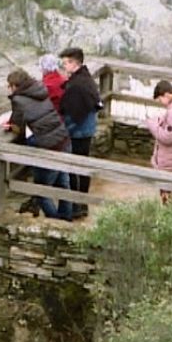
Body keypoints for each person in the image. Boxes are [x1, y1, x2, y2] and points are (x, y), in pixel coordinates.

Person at [4, 68, 73, 220]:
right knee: (63, 183)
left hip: (48, 146)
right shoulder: (40, 90)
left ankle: (54, 220)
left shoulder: (18, 100)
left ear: (15, 86)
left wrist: (10, 127)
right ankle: (66, 217)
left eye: (9, 86)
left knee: (40, 188)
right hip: (63, 139)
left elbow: (17, 126)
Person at [58, 48, 101, 219]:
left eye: (65, 63)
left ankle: (76, 205)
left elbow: (73, 111)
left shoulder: (76, 85)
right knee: (83, 167)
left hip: (79, 132)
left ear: (73, 63)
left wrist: (65, 129)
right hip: (87, 130)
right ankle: (82, 203)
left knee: (74, 168)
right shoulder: (87, 79)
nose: (63, 67)